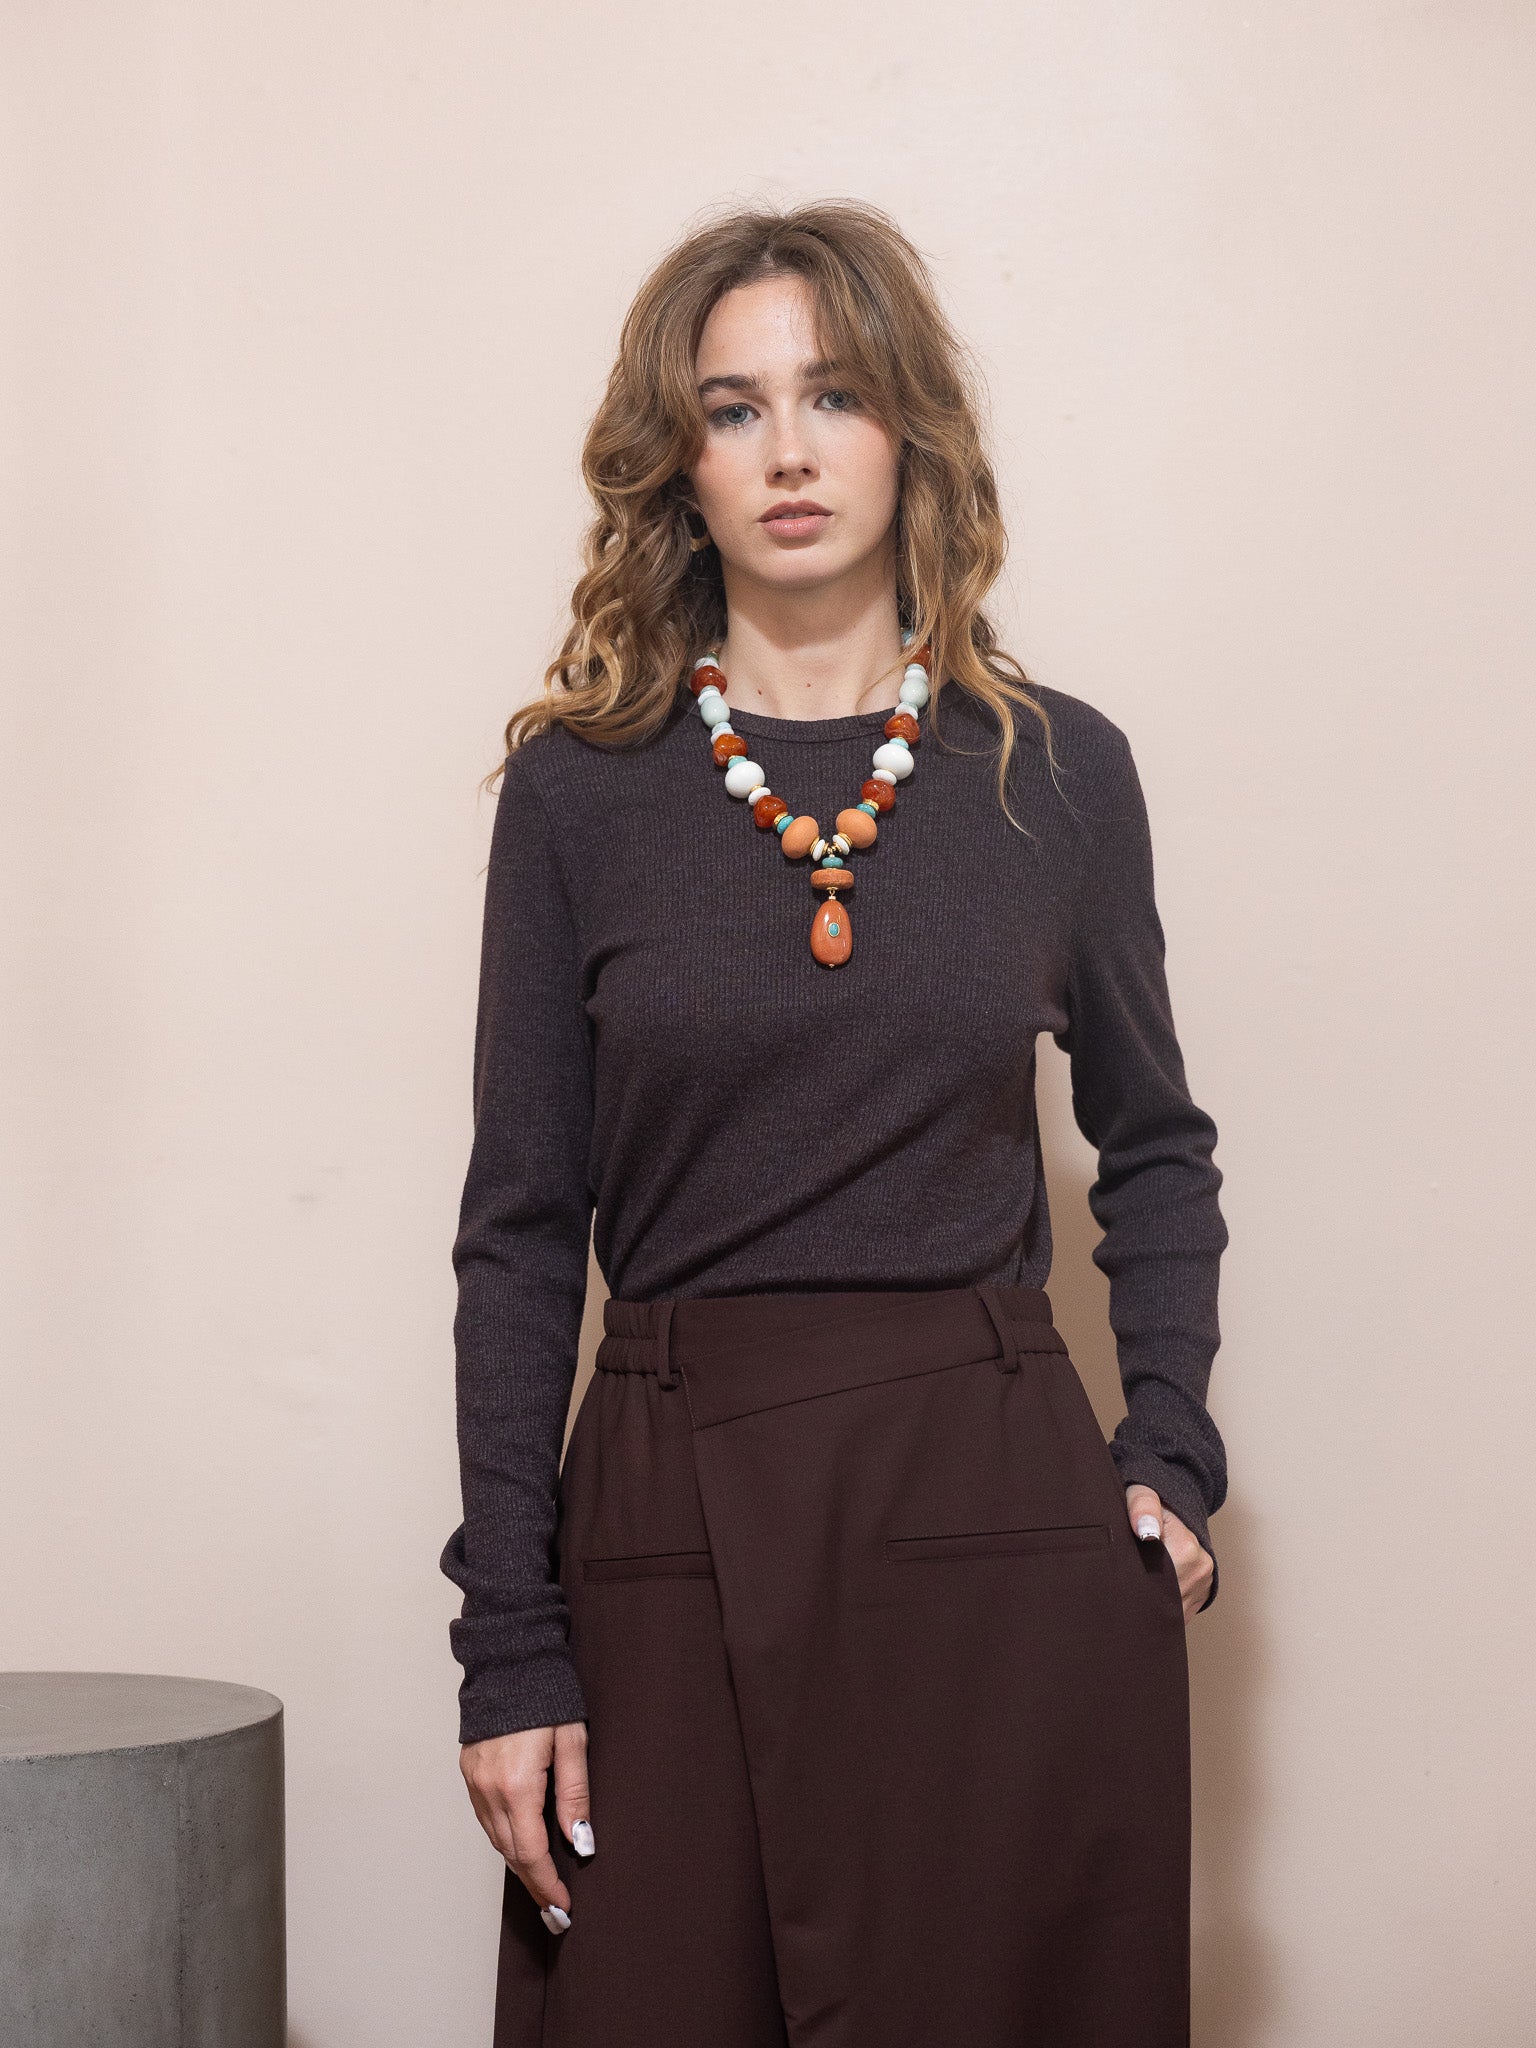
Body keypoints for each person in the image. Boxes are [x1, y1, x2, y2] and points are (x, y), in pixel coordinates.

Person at [440, 198, 1227, 2048]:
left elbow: (1156, 1148)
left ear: (910, 435)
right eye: (734, 408)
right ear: (680, 465)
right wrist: (509, 1642)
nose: (788, 450)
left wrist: (1169, 1450)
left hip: (993, 1521)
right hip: (664, 1508)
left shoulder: (1055, 772)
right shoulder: (578, 794)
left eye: (836, 395)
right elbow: (521, 1235)